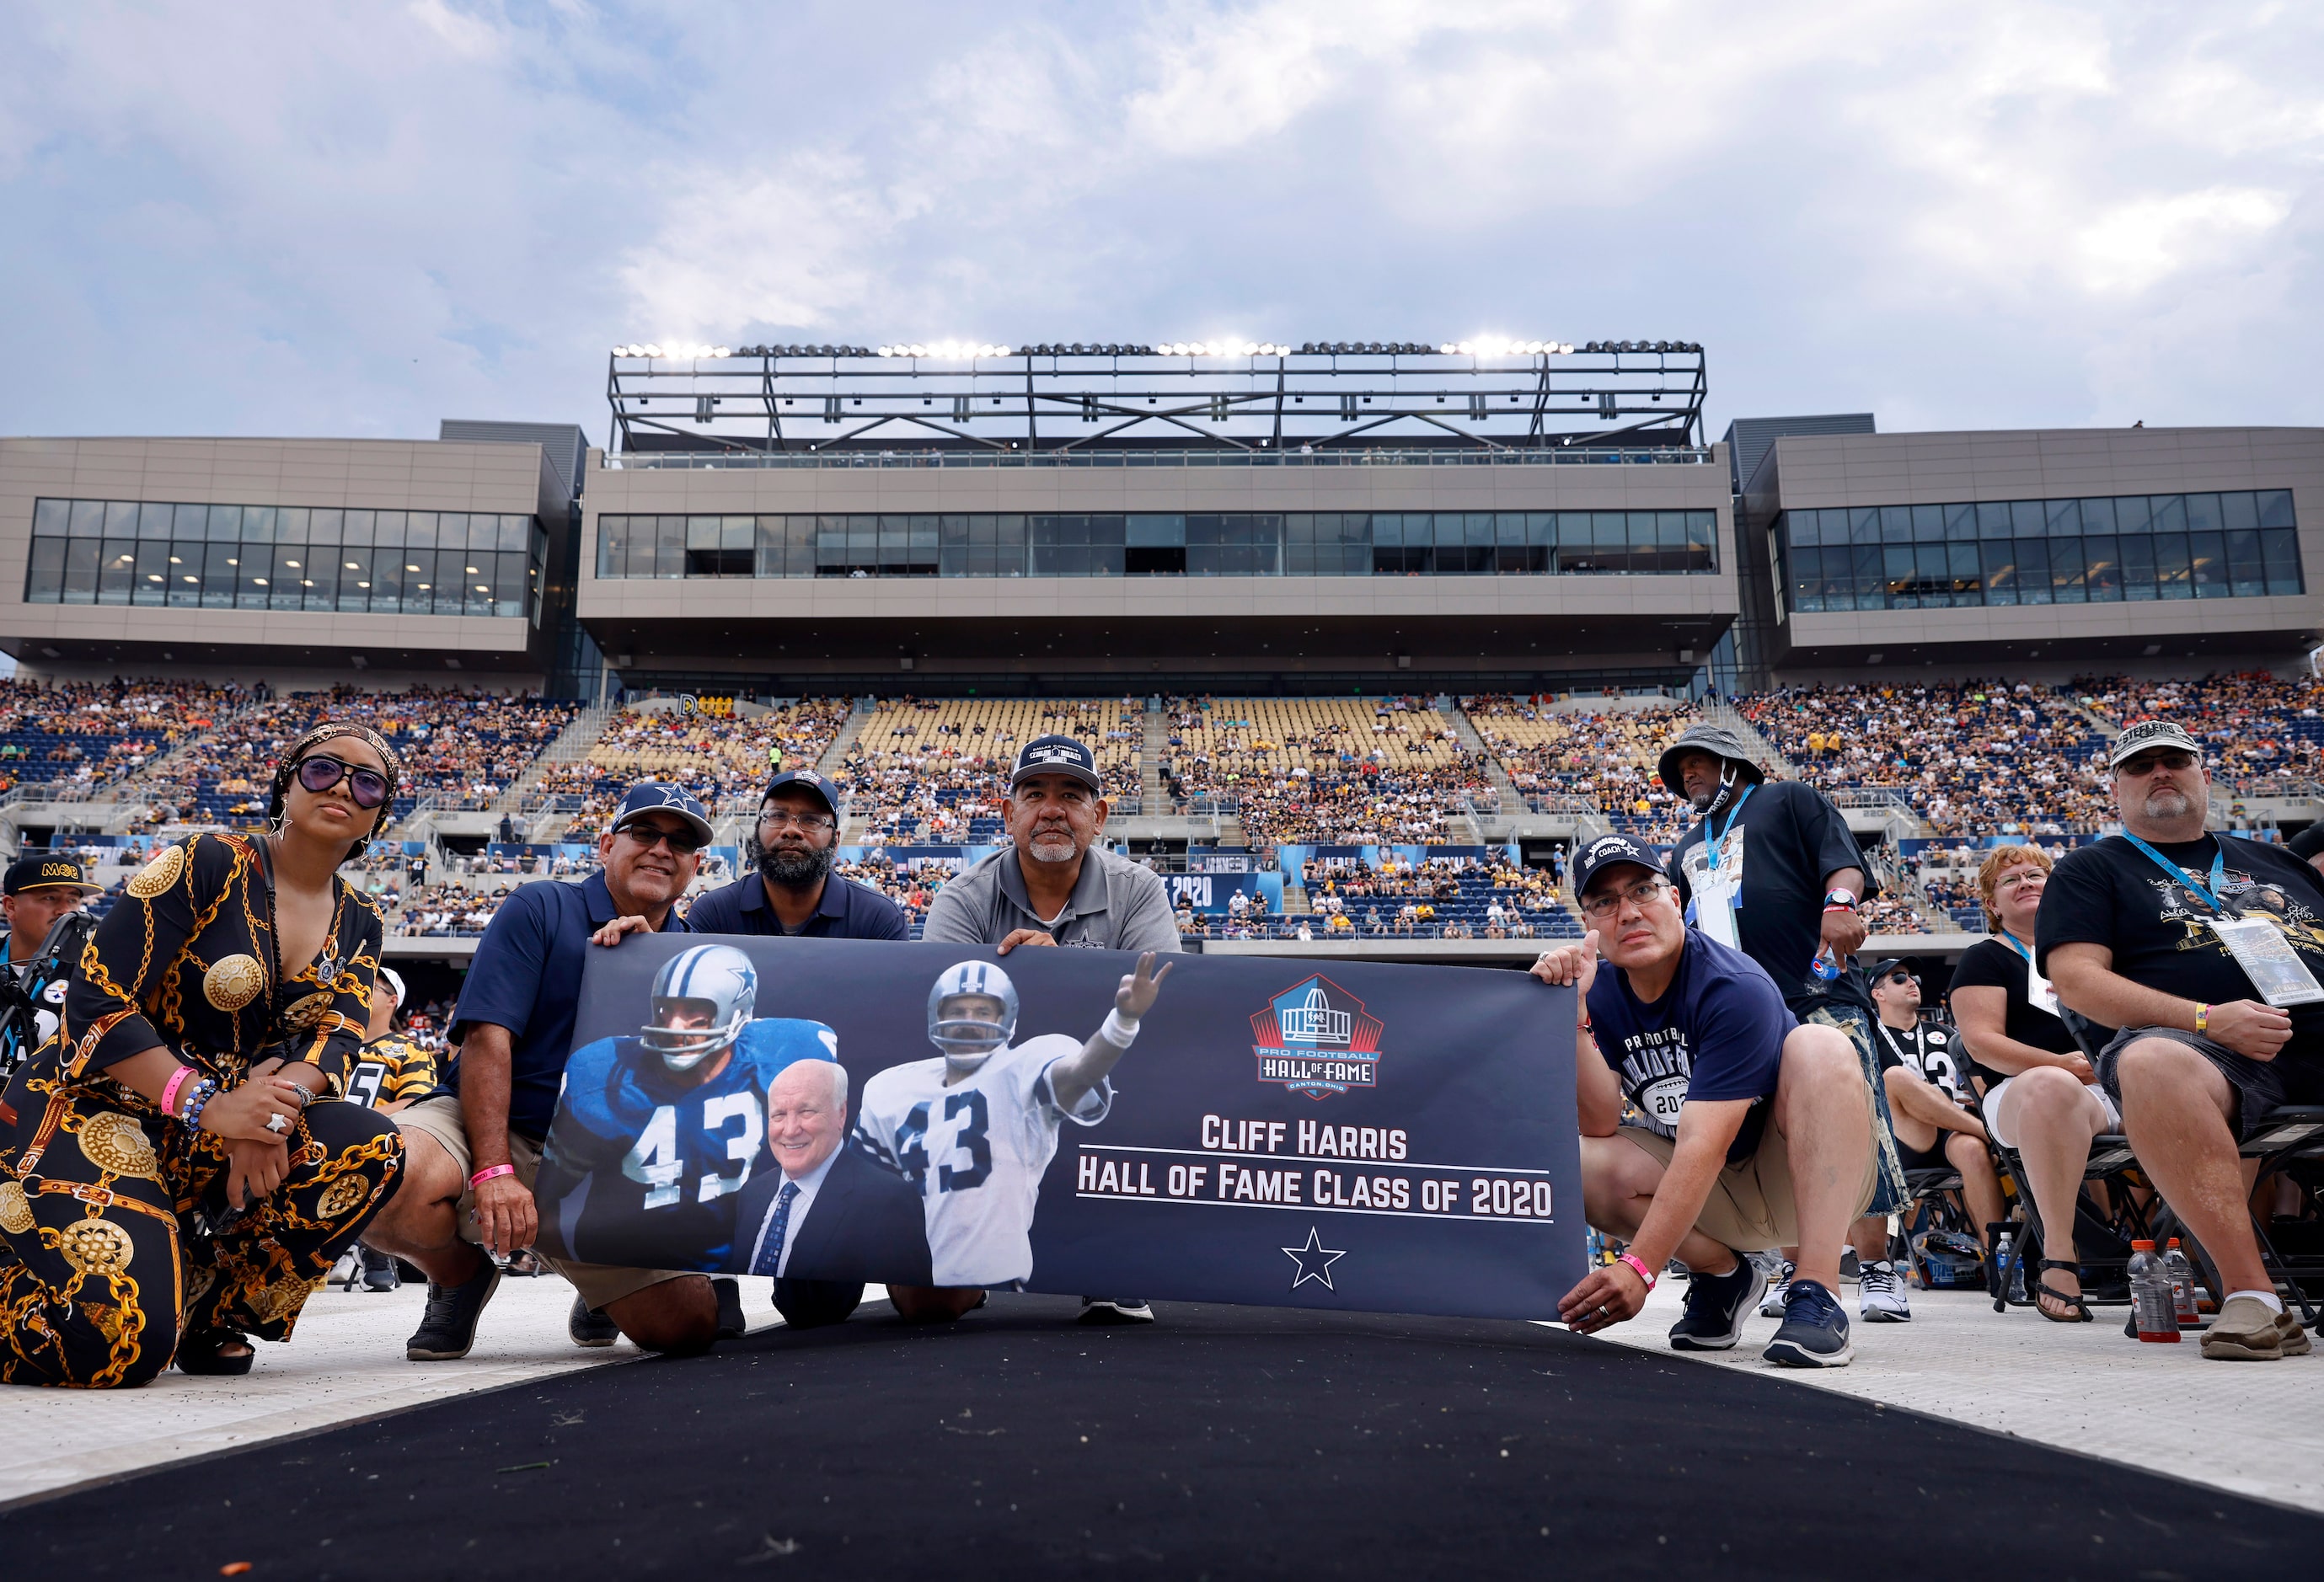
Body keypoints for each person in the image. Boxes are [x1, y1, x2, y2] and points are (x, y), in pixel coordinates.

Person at [0, 723, 407, 1385]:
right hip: (96, 1106)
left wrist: (271, 1117)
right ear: (286, 782)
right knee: (115, 1348)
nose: (343, 788)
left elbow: (336, 1040)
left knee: (367, 1144)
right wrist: (211, 1107)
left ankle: (209, 1313)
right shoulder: (208, 861)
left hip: (231, 1122)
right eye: (323, 769)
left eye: (368, 783)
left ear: (379, 815)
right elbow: (97, 1001)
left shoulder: (361, 917)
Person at [363, 783, 732, 1361]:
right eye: (645, 832)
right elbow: (487, 1038)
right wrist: (493, 1170)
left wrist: (641, 969)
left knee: (688, 1325)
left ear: (697, 866)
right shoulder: (541, 905)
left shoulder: (698, 957)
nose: (663, 848)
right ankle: (459, 1275)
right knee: (372, 1166)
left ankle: (598, 1287)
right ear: (606, 844)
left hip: (609, 1160)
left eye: (681, 841)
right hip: (496, 1122)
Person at [1534, 833, 1877, 1367]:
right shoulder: (1599, 990)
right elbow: (1599, 1124)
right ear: (1588, 924)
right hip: (1713, 1195)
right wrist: (1574, 1016)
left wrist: (1639, 1269)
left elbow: (1705, 1145)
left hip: (1798, 1177)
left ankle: (1818, 1289)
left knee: (1820, 1047)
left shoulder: (1731, 984)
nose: (1627, 913)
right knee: (1578, 1161)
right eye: (1605, 902)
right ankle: (1723, 1276)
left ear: (1676, 901)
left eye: (1642, 890)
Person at [2040, 719, 2323, 1360]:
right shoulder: (2093, 868)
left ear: (2204, 775)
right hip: (2212, 1052)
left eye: (2174, 760)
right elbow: (2076, 979)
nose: (2160, 772)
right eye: (2141, 766)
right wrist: (2204, 1019)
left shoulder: (2277, 862)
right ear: (2117, 789)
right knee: (2150, 1062)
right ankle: (2254, 1299)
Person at [919, 734, 1181, 1326]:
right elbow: (942, 1019)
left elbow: (1161, 1008)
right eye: (1034, 794)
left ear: (1099, 815)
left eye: (1071, 795)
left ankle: (1108, 1253)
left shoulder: (1138, 889)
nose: (1053, 809)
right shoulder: (963, 897)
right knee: (928, 1304)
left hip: (1108, 1084)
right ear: (1009, 814)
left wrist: (1055, 969)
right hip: (991, 1091)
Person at [1657, 724, 1912, 1326]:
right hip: (1736, 1010)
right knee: (1777, 1139)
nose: (1689, 776)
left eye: (1699, 763)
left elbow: (1843, 864)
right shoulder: (1686, 844)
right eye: (1682, 770)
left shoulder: (1788, 798)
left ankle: (1876, 1269)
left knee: (1854, 1127)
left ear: (1732, 764)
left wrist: (1840, 904)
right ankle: (1801, 1271)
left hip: (1813, 987)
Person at [855, 954, 1171, 1298]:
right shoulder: (890, 1088)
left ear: (1007, 1019)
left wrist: (1123, 1022)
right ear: (937, 1015)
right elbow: (864, 1191)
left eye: (982, 1012)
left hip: (996, 1274)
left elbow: (1080, 1072)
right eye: (958, 1011)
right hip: (916, 1275)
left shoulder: (1022, 1067)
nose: (969, 1021)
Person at [533, 943, 837, 1271]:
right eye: (666, 1009)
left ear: (736, 1014)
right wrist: (594, 1282)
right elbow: (550, 1194)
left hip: (740, 1245)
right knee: (685, 1322)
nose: (675, 1027)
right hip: (639, 1252)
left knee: (815, 1307)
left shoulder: (788, 1054)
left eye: (694, 1012)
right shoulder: (603, 1077)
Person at [1947, 845, 2120, 1322]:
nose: (2026, 882)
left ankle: (2197, 1256)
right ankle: (2061, 1257)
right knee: (2050, 1085)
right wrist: (2065, 1066)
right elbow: (1981, 1044)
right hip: (2021, 1094)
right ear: (1992, 906)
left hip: (2111, 1085)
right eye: (2010, 881)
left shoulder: (2099, 950)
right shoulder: (1984, 958)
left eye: (2036, 875)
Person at [737, 1059, 931, 1326]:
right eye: (779, 1115)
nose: (790, 1130)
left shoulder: (887, 1198)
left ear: (841, 1114)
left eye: (806, 1112)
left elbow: (922, 1304)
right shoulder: (752, 1195)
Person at [1866, 957, 2005, 1257]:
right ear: (1878, 994)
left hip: (1953, 1133)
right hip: (1904, 1138)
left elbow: (1978, 1087)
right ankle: (1988, 1133)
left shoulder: (1946, 1034)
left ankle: (1996, 1255)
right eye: (1899, 978)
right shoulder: (1869, 1038)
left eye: (1912, 975)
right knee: (1895, 1077)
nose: (1912, 981)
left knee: (1971, 1150)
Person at [685, 770, 905, 939]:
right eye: (778, 815)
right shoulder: (713, 915)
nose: (791, 829)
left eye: (811, 819)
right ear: (757, 828)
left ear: (836, 840)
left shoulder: (879, 920)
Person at [343, 965, 440, 1293]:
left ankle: (373, 1246)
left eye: (372, 987)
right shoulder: (328, 1045)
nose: (361, 990)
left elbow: (417, 1101)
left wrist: (358, 1119)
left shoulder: (410, 1050)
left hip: (374, 1142)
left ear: (392, 1001)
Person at [0, 855, 102, 1084]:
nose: (65, 911)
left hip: (50, 1111)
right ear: (11, 906)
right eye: (50, 898)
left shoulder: (94, 973)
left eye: (73, 900)